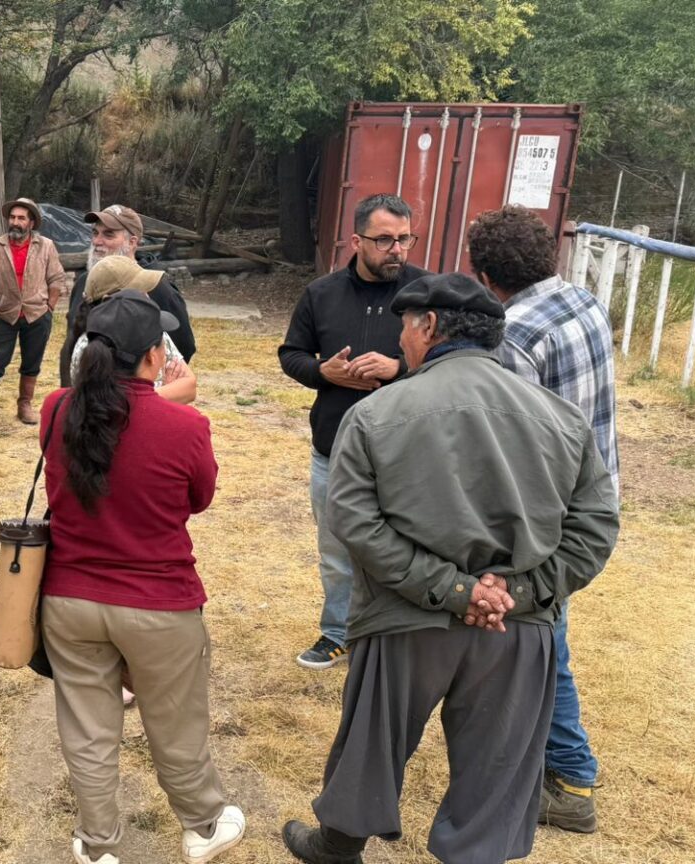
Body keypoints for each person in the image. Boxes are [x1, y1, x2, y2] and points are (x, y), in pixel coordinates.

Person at [282, 273, 620, 864]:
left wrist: (457, 591)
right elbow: (595, 526)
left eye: (404, 329)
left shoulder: (376, 413)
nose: (399, 342)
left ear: (430, 326)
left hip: (405, 617)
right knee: (498, 761)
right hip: (517, 625)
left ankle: (337, 845)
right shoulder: (562, 418)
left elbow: (355, 522)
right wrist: (516, 592)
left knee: (371, 740)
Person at [40, 289, 243, 864]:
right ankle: (203, 826)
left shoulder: (56, 410)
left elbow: (99, 427)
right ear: (155, 355)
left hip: (69, 598)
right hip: (160, 602)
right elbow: (199, 498)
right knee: (175, 721)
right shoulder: (185, 426)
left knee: (87, 730)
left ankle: (98, 844)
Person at [469, 205, 620, 834]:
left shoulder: (514, 336)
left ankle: (572, 778)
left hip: (547, 518)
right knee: (547, 636)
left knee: (542, 645)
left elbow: (516, 449)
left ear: (484, 276)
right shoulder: (583, 301)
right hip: (591, 502)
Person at [276, 193, 429, 670]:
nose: (396, 249)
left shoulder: (428, 293)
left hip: (406, 453)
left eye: (404, 238)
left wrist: (400, 367)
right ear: (356, 240)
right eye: (384, 240)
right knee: (337, 549)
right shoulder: (321, 294)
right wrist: (323, 372)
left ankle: (394, 636)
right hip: (335, 451)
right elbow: (291, 355)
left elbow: (454, 359)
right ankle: (338, 632)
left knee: (406, 548)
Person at [58, 204, 196, 388]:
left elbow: (183, 347)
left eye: (108, 235)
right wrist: (68, 392)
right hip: (85, 396)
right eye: (95, 233)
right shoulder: (84, 282)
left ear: (132, 242)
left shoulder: (158, 287)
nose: (97, 241)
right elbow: (71, 341)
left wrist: (154, 391)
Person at [0, 198, 66, 424]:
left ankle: (25, 404)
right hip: (4, 314)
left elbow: (56, 278)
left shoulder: (46, 246)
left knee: (32, 360)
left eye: (21, 218)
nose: (15, 222)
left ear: (31, 223)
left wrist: (50, 307)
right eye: (12, 217)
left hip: (37, 313)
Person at [68, 255, 196, 405]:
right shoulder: (91, 346)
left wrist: (153, 397)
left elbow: (190, 387)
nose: (148, 297)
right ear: (110, 300)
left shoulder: (150, 326)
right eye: (139, 292)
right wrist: (166, 391)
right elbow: (112, 404)